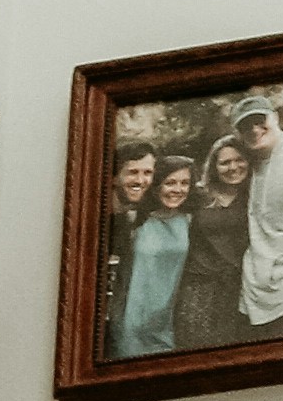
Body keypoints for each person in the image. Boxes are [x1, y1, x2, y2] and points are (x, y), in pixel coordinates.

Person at [173, 129, 255, 355]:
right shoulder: (198, 195)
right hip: (197, 286)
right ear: (213, 166)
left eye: (239, 160)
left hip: (238, 287)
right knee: (193, 349)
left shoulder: (255, 194)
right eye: (225, 162)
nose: (233, 167)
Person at [232, 92, 283, 343]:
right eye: (244, 125)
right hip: (252, 290)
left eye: (259, 120)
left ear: (274, 118)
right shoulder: (246, 164)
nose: (253, 129)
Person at [111, 147, 196, 361]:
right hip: (131, 318)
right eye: (170, 182)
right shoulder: (134, 219)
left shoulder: (191, 221)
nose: (177, 189)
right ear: (157, 185)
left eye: (184, 183)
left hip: (169, 320)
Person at [98, 140, 160, 354]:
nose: (141, 180)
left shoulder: (130, 218)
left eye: (147, 173)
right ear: (114, 177)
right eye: (133, 172)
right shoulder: (96, 215)